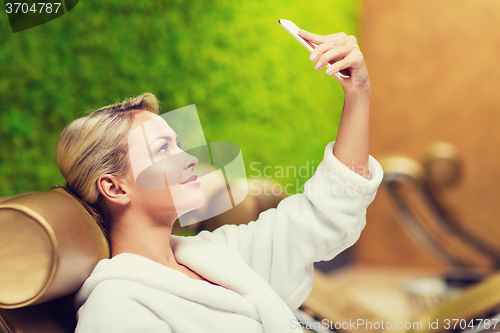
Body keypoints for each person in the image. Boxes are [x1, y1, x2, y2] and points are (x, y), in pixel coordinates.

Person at [56, 29, 383, 333]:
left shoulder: (218, 254)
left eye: (179, 144)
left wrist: (358, 93)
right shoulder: (117, 307)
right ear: (115, 187)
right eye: (163, 149)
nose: (190, 159)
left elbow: (326, 212)